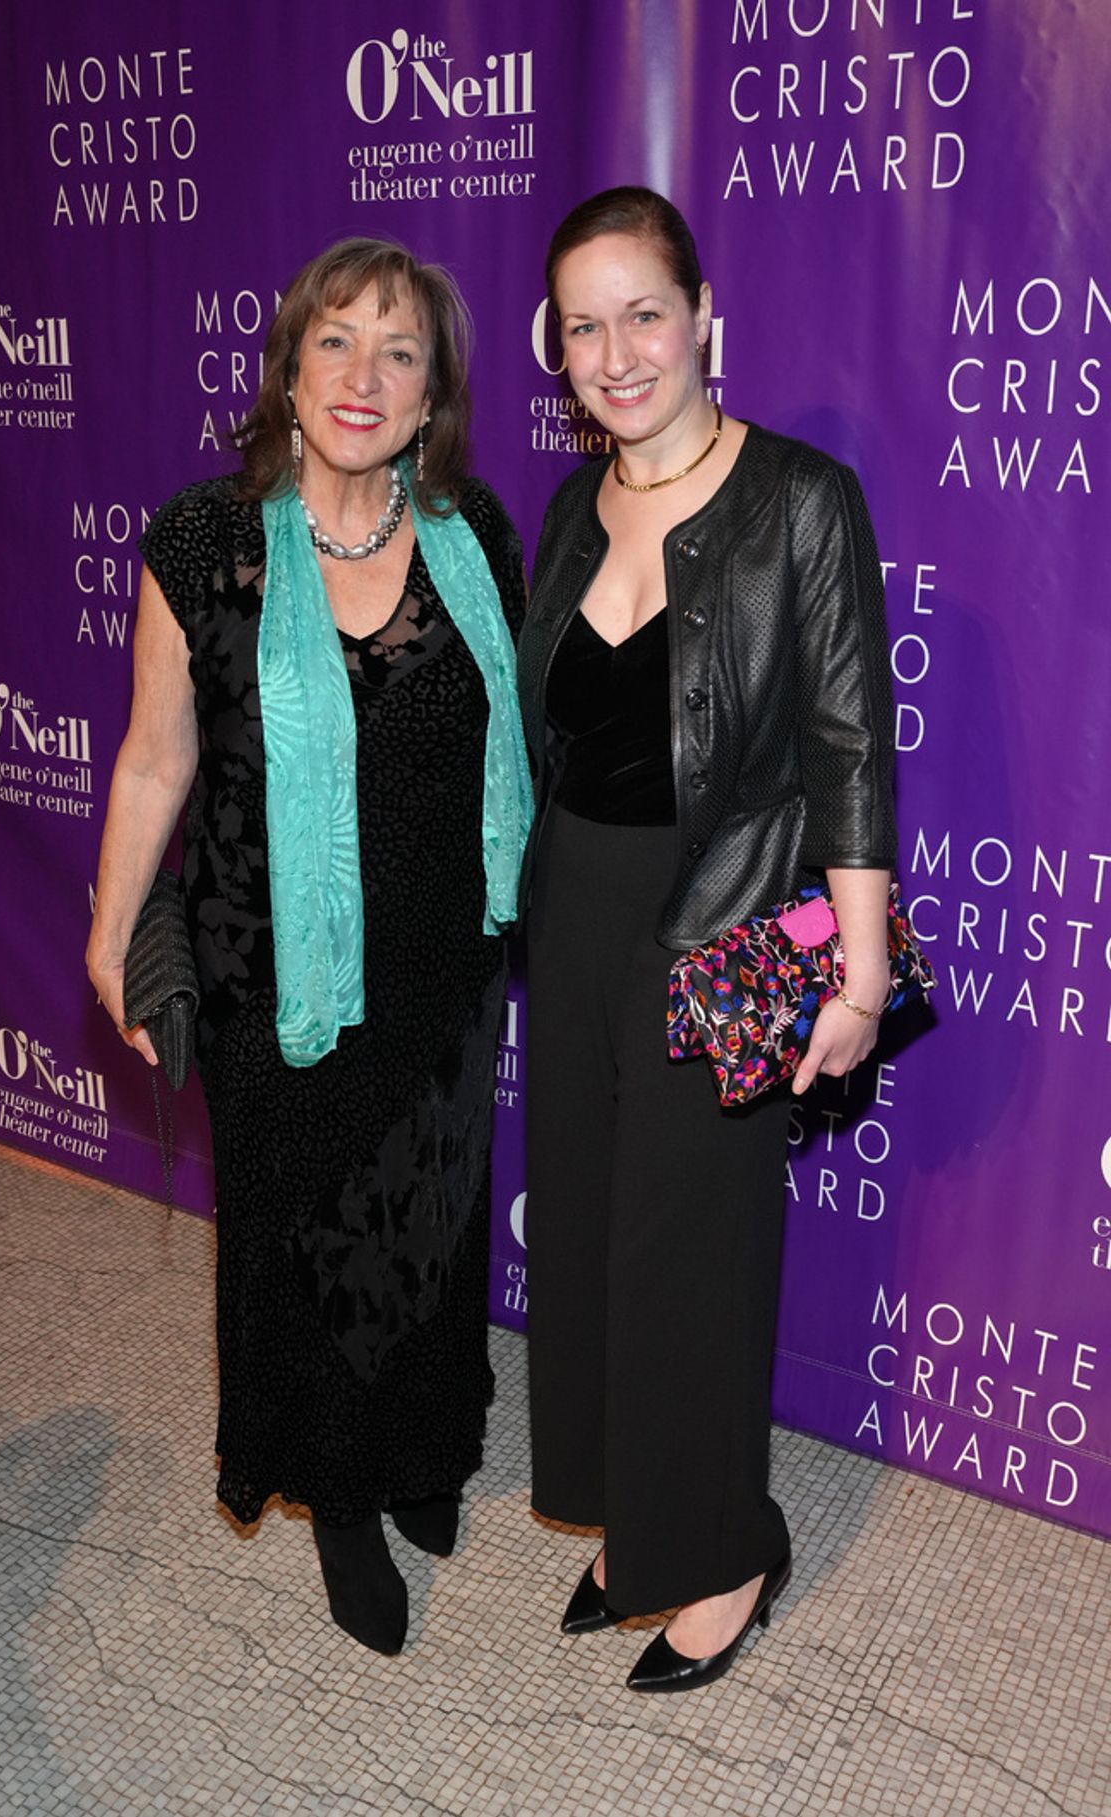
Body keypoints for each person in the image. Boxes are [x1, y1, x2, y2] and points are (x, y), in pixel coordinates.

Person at [86, 238, 532, 1657]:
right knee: (305, 1234)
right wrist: (109, 927)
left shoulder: (475, 534)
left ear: (432, 394)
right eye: (335, 340)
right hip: (270, 964)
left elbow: (519, 752)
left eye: (400, 352)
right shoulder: (198, 542)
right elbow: (156, 757)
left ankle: (423, 1447)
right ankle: (341, 1492)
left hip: (444, 963)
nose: (363, 375)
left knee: (430, 1214)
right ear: (287, 368)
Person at [518, 188, 896, 1693]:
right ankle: (640, 1517)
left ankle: (726, 1550)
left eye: (645, 315)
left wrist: (857, 968)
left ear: (702, 318)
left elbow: (848, 744)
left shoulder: (802, 500)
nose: (617, 355)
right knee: (594, 1231)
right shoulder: (569, 507)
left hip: (729, 917)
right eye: (584, 327)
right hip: (575, 913)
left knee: (695, 1248)